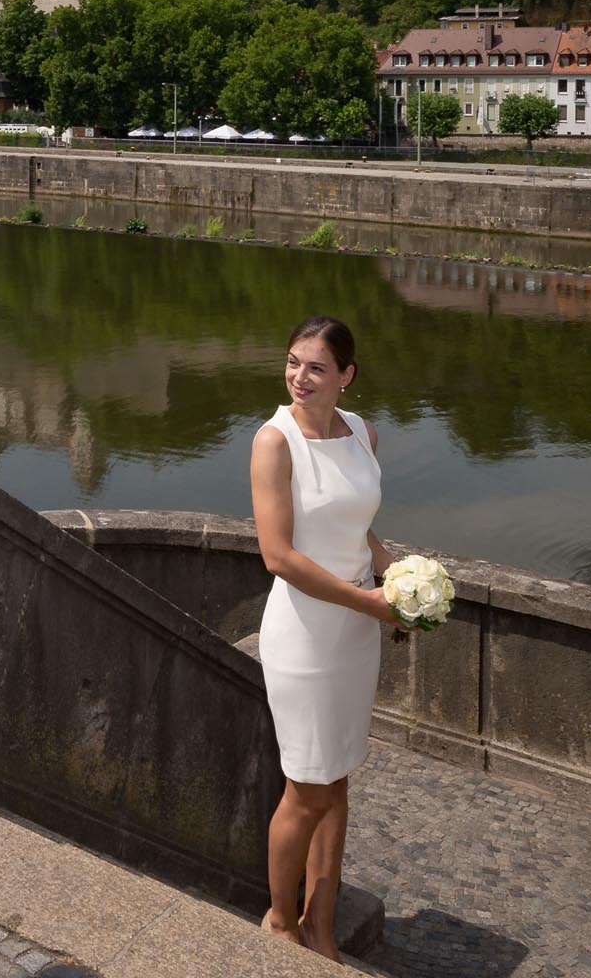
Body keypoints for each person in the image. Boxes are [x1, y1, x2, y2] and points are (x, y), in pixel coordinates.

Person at [248, 315, 400, 961]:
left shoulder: (364, 432)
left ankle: (323, 925)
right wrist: (367, 598)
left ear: (346, 375)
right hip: (306, 637)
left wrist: (395, 571)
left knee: (337, 781)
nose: (299, 377)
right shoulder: (274, 441)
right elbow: (278, 556)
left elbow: (356, 522)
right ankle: (282, 921)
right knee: (306, 787)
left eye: (315, 366)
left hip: (355, 636)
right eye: (292, 362)